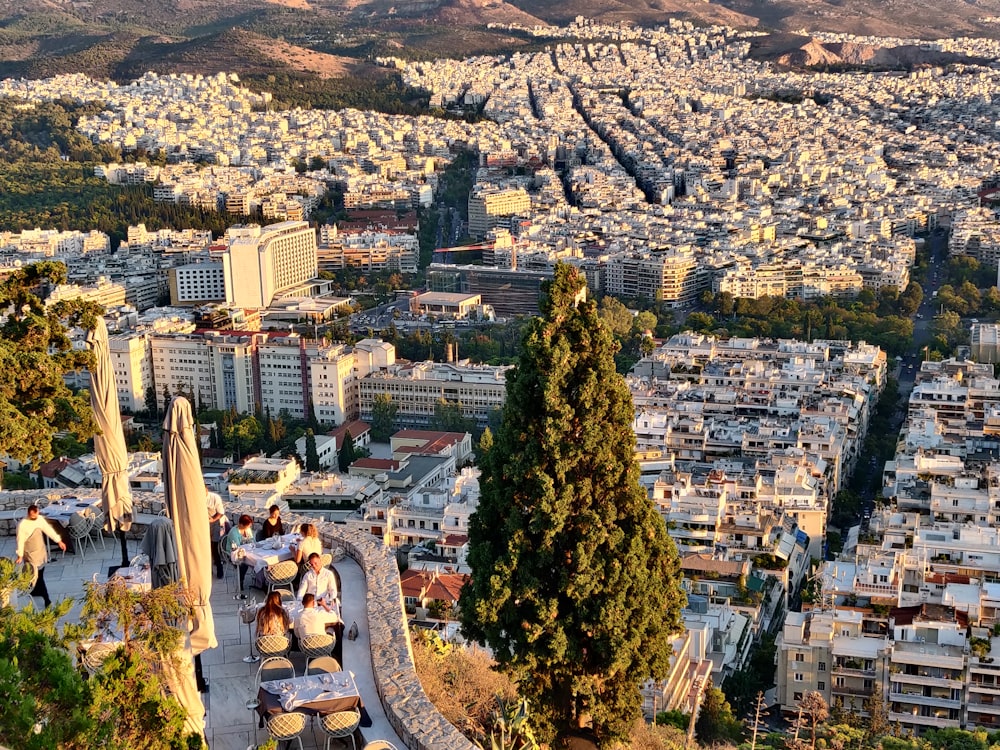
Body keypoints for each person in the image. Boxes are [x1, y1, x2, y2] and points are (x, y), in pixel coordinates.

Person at [15, 504, 66, 608]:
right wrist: (20, 555)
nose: (35, 517)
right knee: (37, 576)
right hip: (30, 553)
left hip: (40, 551)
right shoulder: (22, 525)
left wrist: (59, 541)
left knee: (40, 574)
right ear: (29, 514)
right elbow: (20, 541)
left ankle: (35, 591)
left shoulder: (40, 519)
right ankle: (46, 599)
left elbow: (48, 530)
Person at [223, 514, 254, 597]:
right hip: (234, 554)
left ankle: (259, 582)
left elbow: (253, 540)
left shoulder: (247, 530)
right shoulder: (234, 532)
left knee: (255, 561)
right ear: (242, 524)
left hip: (246, 551)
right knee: (244, 564)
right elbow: (237, 547)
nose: (249, 527)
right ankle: (240, 581)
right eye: (248, 525)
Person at [206, 489, 227, 579]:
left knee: (215, 548)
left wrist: (212, 520)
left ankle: (219, 570)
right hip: (203, 523)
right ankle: (208, 571)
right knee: (205, 549)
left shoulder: (214, 498)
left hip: (214, 523)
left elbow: (220, 512)